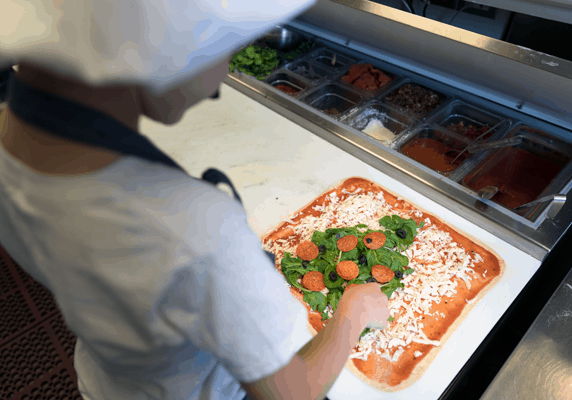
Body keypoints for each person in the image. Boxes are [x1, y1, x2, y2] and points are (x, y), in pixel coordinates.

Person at [0, 1, 390, 400]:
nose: (221, 78)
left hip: (108, 377)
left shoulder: (9, 137)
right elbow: (292, 391)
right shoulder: (196, 228)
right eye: (220, 50)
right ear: (154, 54)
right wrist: (352, 313)